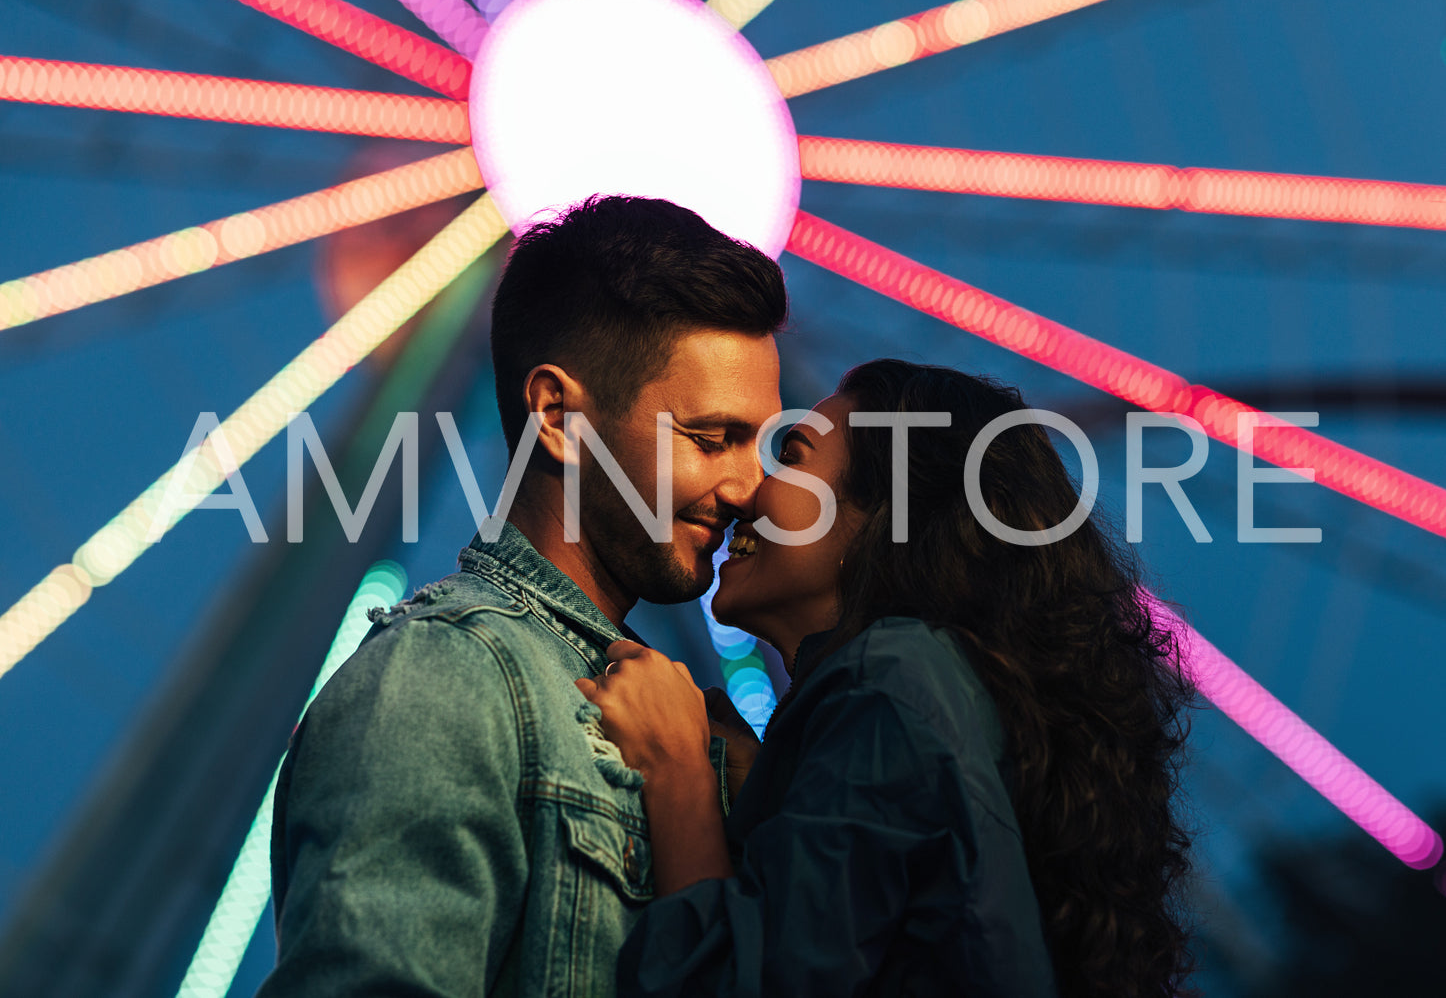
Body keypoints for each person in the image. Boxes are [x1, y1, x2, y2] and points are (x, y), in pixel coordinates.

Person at [255, 196, 788, 997]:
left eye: (763, 443)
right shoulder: (442, 680)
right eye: (712, 439)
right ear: (558, 415)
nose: (749, 488)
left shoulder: (689, 728)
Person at [578, 359, 1198, 997]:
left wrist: (675, 773)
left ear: (888, 514)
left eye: (790, 457)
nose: (744, 492)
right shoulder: (930, 694)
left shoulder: (890, 682)